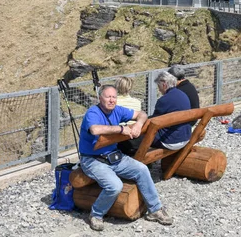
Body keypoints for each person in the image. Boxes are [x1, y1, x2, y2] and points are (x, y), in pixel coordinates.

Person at [78, 85, 172, 231]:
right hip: (92, 159)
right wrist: (121, 129)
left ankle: (155, 209)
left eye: (114, 97)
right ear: (100, 98)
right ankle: (96, 214)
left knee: (142, 169)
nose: (111, 100)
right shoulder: (93, 112)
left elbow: (142, 114)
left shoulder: (118, 110)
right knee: (115, 186)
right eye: (108, 97)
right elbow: (95, 129)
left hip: (114, 156)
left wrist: (138, 125)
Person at [152, 71, 191, 150]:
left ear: (164, 85)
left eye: (158, 86)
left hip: (171, 141)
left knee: (141, 137)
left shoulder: (163, 100)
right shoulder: (183, 95)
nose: (159, 89)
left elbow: (154, 121)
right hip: (186, 137)